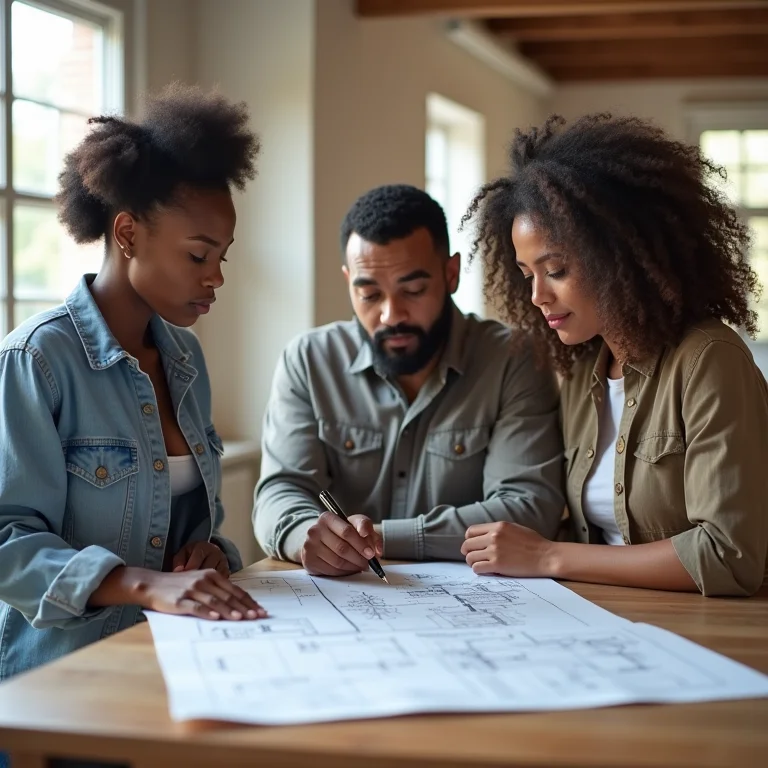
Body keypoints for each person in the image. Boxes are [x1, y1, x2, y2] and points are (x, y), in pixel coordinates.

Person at [0, 83, 267, 681]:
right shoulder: (37, 360)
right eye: (198, 256)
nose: (216, 278)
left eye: (222, 257)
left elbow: (189, 528)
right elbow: (7, 542)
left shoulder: (185, 360)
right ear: (127, 234)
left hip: (174, 658)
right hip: (61, 677)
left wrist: (208, 554)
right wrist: (142, 584)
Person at [461, 113, 768, 597]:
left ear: (617, 254)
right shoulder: (581, 372)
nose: (537, 295)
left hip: (701, 624)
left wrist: (547, 556)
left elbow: (727, 556)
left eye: (555, 270)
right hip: (599, 614)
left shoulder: (709, 359)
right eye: (527, 274)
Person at [254, 184, 564, 576]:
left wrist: (383, 538)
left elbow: (529, 508)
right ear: (349, 282)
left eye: (413, 290)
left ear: (450, 274)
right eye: (369, 295)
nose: (391, 315)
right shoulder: (309, 361)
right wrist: (306, 538)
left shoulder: (513, 359)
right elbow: (280, 492)